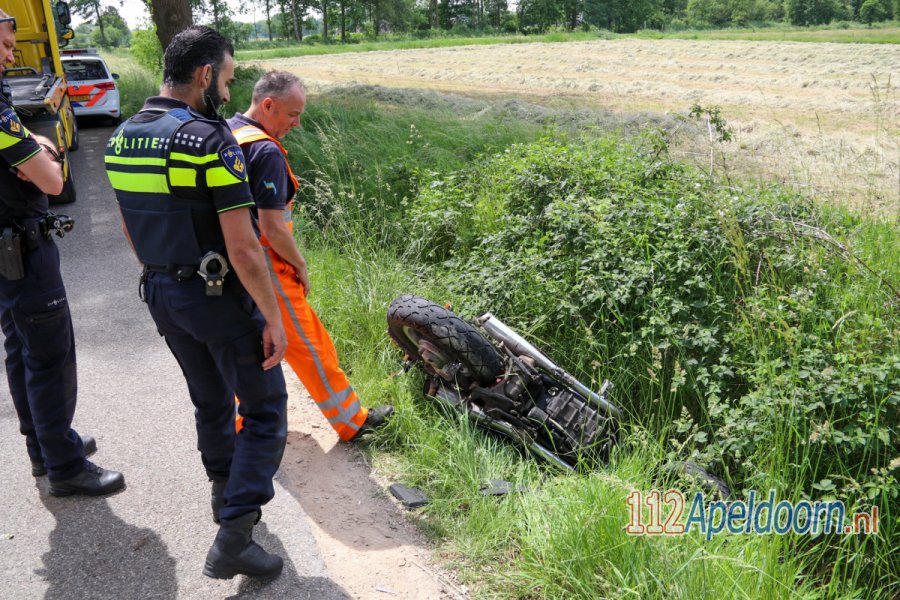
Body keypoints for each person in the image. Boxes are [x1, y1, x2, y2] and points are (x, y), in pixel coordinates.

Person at [104, 26, 288, 580]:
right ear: (205, 74)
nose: (229, 95)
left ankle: (222, 493)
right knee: (263, 410)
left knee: (209, 400)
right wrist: (274, 318)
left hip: (162, 294)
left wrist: (161, 276)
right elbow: (244, 247)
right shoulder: (209, 139)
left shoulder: (122, 136)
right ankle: (234, 533)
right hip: (216, 298)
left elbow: (129, 226)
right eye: (228, 80)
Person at [227, 71, 393, 442]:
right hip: (269, 267)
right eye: (292, 115)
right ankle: (352, 422)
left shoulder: (227, 133)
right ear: (268, 105)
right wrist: (299, 264)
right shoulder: (265, 150)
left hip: (233, 263)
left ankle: (239, 428)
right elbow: (272, 227)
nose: (297, 124)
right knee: (312, 345)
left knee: (246, 349)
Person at [0, 9, 123, 497]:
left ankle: (44, 448)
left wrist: (33, 146)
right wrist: (45, 153)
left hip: (6, 252)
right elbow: (53, 179)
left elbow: (27, 147)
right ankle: (66, 467)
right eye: (6, 46)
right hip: (23, 249)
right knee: (49, 356)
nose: (12, 56)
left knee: (19, 350)